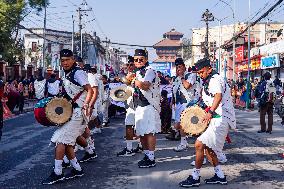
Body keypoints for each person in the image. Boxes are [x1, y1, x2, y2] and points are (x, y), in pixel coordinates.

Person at [179, 58, 236, 187]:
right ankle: (220, 176)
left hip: (220, 118)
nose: (200, 75)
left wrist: (210, 111)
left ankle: (195, 177)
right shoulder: (208, 80)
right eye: (198, 73)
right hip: (216, 118)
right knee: (209, 149)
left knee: (199, 145)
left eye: (201, 72)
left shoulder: (215, 79)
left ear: (209, 69)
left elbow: (218, 96)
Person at [42, 49, 94, 185]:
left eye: (67, 60)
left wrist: (87, 104)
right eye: (63, 60)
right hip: (72, 112)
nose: (65, 63)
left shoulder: (78, 73)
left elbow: (90, 89)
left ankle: (58, 173)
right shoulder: (67, 74)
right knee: (68, 142)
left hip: (78, 113)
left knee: (60, 140)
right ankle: (77, 168)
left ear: (73, 60)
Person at [128, 49, 161, 168]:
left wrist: (133, 80)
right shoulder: (137, 73)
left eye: (140, 59)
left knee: (149, 132)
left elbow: (145, 86)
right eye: (135, 60)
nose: (138, 61)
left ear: (146, 60)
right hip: (139, 106)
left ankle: (151, 158)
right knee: (141, 132)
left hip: (149, 105)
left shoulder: (150, 71)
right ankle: (147, 155)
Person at [117, 56, 138, 157]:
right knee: (129, 126)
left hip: (139, 105)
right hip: (129, 105)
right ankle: (130, 148)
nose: (130, 66)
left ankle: (135, 148)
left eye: (131, 64)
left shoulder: (139, 75)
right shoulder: (124, 76)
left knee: (138, 128)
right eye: (128, 65)